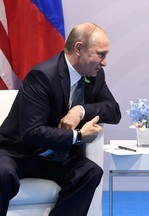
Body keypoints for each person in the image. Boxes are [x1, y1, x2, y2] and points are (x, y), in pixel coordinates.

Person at [0, 22, 121, 215]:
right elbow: (32, 133)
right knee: (2, 174)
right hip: (16, 152)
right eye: (100, 54)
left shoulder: (95, 75)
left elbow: (114, 111)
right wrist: (79, 136)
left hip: (53, 157)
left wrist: (80, 110)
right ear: (79, 48)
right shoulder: (43, 76)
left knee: (90, 172)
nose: (104, 62)